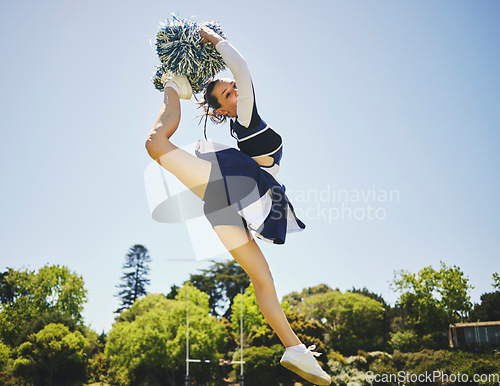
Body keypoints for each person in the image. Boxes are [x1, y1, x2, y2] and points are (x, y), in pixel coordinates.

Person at [145, 26, 331, 386]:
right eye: (228, 94)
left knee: (263, 279)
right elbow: (242, 67)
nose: (235, 92)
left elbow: (239, 74)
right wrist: (211, 37)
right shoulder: (247, 121)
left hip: (238, 197)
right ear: (223, 110)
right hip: (237, 193)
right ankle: (173, 83)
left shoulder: (246, 130)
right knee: (155, 144)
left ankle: (295, 349)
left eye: (232, 89)